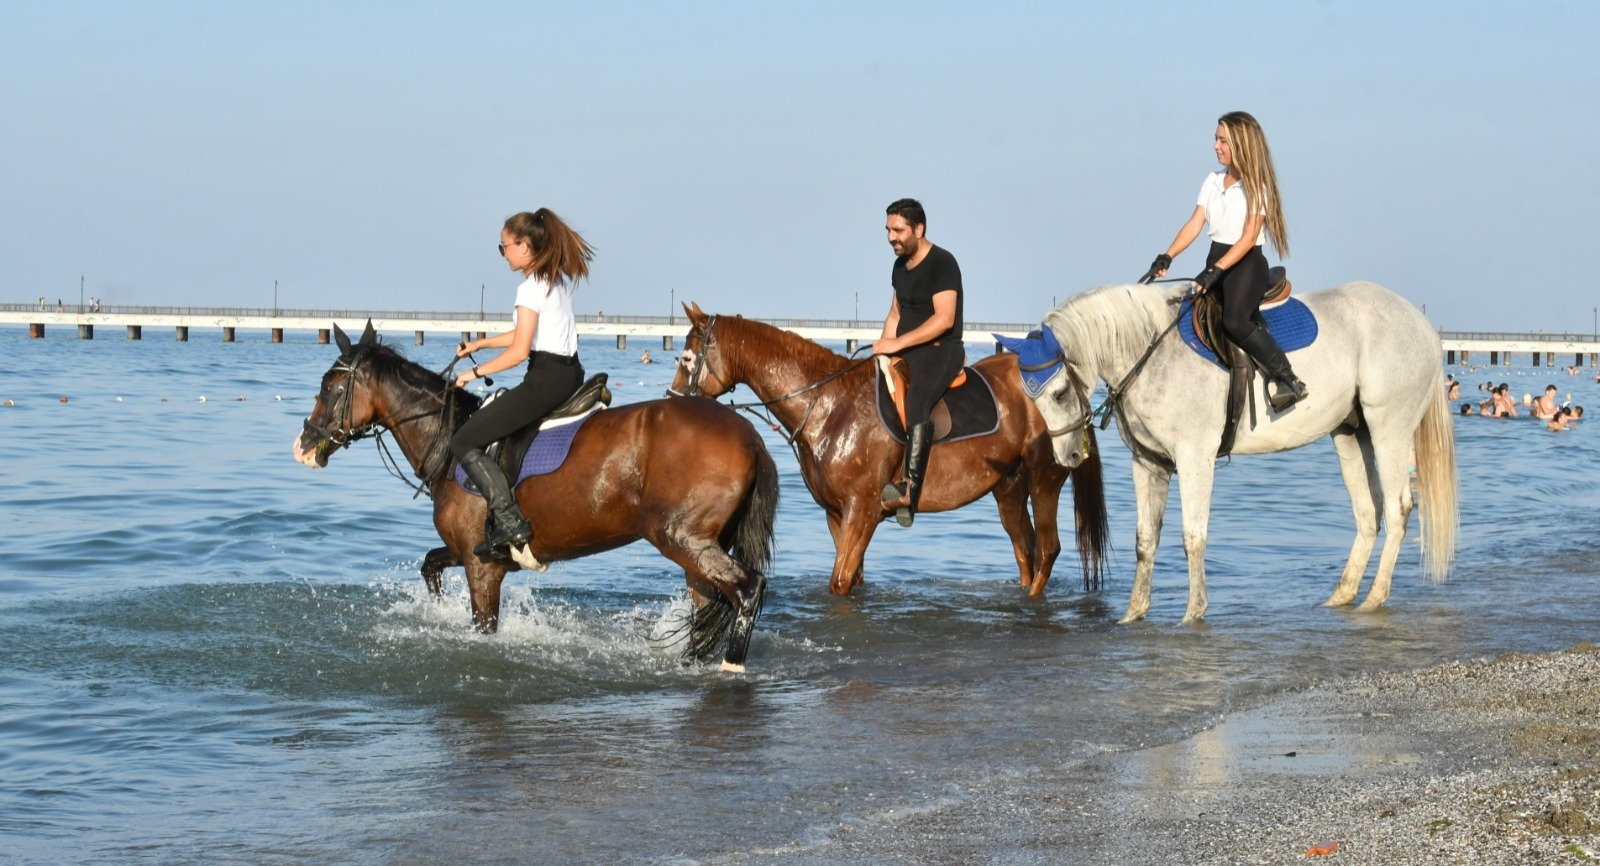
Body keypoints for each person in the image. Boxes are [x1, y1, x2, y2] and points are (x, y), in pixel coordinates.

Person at [449, 208, 594, 559]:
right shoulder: (554, 279)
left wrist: (474, 372)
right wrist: (480, 344)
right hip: (570, 372)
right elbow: (525, 333)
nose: (503, 255)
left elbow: (519, 352)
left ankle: (510, 522)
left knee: (463, 441)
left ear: (525, 246)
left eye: (504, 247)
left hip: (545, 380)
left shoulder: (529, 288)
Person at [1140, 111, 1306, 409]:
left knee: (1234, 321)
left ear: (1241, 144)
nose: (1216, 146)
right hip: (1216, 259)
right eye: (1215, 139)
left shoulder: (1259, 188)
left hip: (1245, 265)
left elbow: (1247, 238)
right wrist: (1168, 255)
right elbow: (1195, 223)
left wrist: (1215, 270)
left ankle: (1288, 378)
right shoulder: (1213, 181)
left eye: (1222, 140)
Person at [873, 198, 963, 528]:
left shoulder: (942, 263)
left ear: (918, 229)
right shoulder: (899, 267)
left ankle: (909, 490)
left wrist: (896, 343)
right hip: (908, 350)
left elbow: (944, 319)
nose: (890, 237)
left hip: (942, 350)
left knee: (918, 399)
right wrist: (882, 351)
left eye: (897, 230)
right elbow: (896, 314)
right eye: (887, 230)